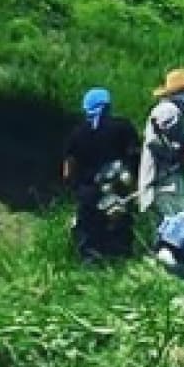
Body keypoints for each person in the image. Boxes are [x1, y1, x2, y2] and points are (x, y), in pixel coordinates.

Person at [62, 87, 138, 262]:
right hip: (118, 189)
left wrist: (74, 188)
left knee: (89, 235)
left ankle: (90, 267)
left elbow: (68, 170)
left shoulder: (77, 133)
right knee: (120, 232)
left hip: (88, 193)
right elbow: (134, 158)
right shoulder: (123, 127)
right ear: (108, 106)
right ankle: (120, 266)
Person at [140, 68, 184, 222]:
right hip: (162, 184)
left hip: (172, 182)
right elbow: (162, 146)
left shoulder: (176, 113)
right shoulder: (168, 111)